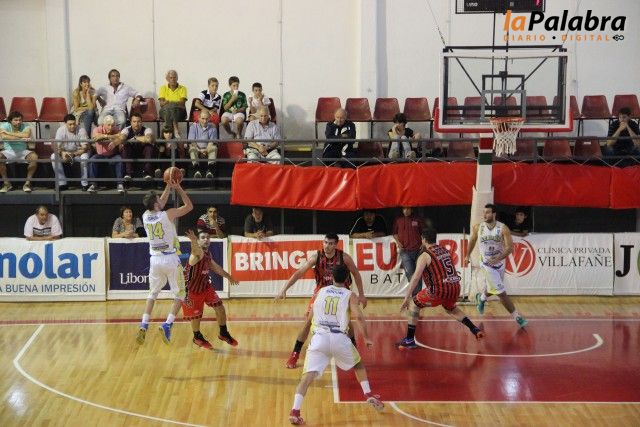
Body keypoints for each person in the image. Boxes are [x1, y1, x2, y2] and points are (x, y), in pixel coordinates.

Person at [287, 264, 383, 425]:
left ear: (332, 277)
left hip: (319, 338)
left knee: (306, 378)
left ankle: (295, 411)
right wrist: (366, 337)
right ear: (347, 279)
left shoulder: (320, 292)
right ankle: (368, 394)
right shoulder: (350, 295)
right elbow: (358, 317)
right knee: (358, 364)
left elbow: (310, 318)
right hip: (339, 338)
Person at [276, 233, 367, 369]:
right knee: (308, 321)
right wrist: (284, 289)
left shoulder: (344, 257)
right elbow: (299, 272)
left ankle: (353, 348)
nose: (327, 246)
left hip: (341, 291)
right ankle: (295, 354)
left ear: (336, 245)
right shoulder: (316, 257)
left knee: (347, 322)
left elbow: (356, 274)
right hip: (321, 292)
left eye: (330, 243)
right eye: (325, 242)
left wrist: (362, 295)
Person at [398, 228, 485, 349]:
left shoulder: (425, 255)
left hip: (439, 290)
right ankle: (474, 329)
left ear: (423, 239)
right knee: (451, 309)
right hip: (455, 287)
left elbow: (416, 277)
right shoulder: (444, 250)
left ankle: (409, 340)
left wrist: (406, 297)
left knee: (413, 304)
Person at [136, 179, 193, 345]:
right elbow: (189, 206)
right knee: (180, 294)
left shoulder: (145, 216)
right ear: (156, 204)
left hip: (154, 259)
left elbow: (160, 201)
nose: (162, 200)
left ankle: (144, 324)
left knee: (152, 294)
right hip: (170, 258)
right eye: (159, 200)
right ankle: (167, 324)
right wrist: (178, 187)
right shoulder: (168, 214)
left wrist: (168, 185)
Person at [465, 203, 528, 328]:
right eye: (484, 212)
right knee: (501, 293)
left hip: (499, 263)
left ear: (494, 214)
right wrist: (467, 255)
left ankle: (481, 298)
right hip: (486, 264)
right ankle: (517, 317)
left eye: (487, 212)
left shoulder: (503, 228)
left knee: (493, 288)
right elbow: (472, 240)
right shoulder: (478, 227)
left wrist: (498, 258)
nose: (484, 215)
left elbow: (510, 248)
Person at [183, 230, 239, 349]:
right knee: (196, 316)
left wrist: (229, 277)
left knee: (220, 308)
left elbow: (216, 268)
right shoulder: (197, 254)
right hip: (192, 289)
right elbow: (195, 250)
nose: (206, 239)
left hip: (205, 286)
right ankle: (197, 337)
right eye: (203, 237)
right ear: (198, 240)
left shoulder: (208, 254)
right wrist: (193, 241)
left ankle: (223, 333)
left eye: (208, 237)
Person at [51, 114, 90, 191]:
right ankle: (62, 183)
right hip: (65, 154)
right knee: (53, 156)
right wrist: (62, 153)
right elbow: (55, 147)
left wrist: (74, 154)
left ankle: (84, 184)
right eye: (70, 124)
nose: (72, 126)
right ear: (65, 124)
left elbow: (85, 148)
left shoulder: (81, 130)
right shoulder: (60, 130)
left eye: (74, 124)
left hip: (78, 154)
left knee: (85, 157)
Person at [0, 111, 36, 193]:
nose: (18, 122)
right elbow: (4, 137)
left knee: (34, 157)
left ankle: (27, 183)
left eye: (20, 120)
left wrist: (8, 133)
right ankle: (6, 183)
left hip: (23, 150)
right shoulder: (4, 125)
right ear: (10, 121)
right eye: (16, 120)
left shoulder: (26, 125)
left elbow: (26, 135)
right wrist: (20, 137)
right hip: (8, 151)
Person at [393, 207, 426, 296]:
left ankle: (417, 296)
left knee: (418, 273)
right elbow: (395, 233)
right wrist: (398, 242)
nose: (406, 211)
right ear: (402, 210)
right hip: (405, 251)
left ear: (411, 210)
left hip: (418, 250)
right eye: (404, 209)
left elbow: (424, 233)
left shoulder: (417, 220)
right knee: (409, 273)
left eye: (408, 209)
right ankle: (416, 295)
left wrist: (423, 243)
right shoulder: (398, 220)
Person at [88, 115, 124, 193]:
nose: (110, 127)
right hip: (100, 155)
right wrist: (110, 136)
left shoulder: (116, 129)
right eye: (108, 125)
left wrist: (115, 141)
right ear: (103, 124)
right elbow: (96, 137)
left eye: (112, 125)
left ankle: (120, 184)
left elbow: (121, 136)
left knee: (119, 159)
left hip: (113, 155)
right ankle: (93, 184)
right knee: (92, 159)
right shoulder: (97, 129)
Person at [120, 112, 159, 181]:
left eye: (138, 121)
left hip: (143, 153)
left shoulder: (147, 129)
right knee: (126, 146)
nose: (136, 124)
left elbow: (149, 139)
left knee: (149, 147)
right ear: (131, 122)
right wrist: (141, 139)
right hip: (131, 153)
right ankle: (128, 173)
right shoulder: (126, 129)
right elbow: (122, 138)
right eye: (134, 121)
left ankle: (147, 172)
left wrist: (135, 138)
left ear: (141, 122)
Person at [187, 109, 218, 179]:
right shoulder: (193, 127)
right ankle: (197, 170)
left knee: (214, 148)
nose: (205, 121)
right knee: (192, 149)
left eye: (207, 119)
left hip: (207, 148)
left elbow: (211, 142)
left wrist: (205, 150)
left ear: (209, 118)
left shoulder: (213, 127)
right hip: (197, 148)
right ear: (199, 118)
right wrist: (199, 150)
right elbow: (192, 142)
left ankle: (210, 170)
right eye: (203, 118)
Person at [158, 69, 188, 138]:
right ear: (167, 79)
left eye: (174, 77)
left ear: (177, 78)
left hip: (180, 112)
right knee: (170, 109)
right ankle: (175, 129)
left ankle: (166, 134)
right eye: (171, 78)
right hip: (164, 111)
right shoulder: (163, 88)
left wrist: (169, 102)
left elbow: (182, 103)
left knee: (171, 107)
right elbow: (161, 104)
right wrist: (175, 103)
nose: (173, 79)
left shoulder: (183, 88)